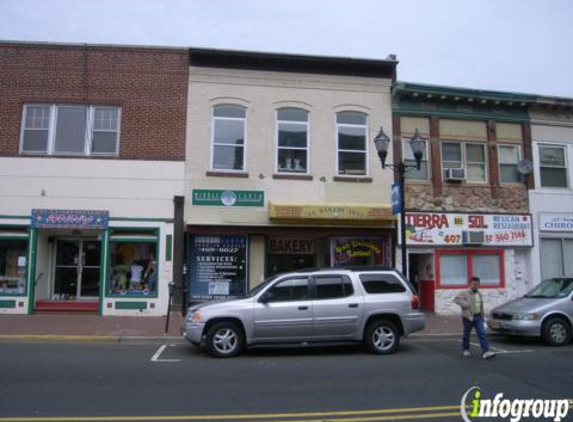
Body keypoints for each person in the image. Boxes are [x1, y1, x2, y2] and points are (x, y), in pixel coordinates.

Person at [454, 276, 496, 360]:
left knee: (482, 334)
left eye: (477, 284)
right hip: (468, 317)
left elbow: (480, 305)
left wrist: (483, 316)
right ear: (470, 284)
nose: (475, 285)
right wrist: (465, 304)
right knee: (466, 335)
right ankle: (466, 349)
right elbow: (456, 299)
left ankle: (485, 352)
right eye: (474, 284)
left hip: (478, 317)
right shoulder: (465, 292)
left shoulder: (479, 293)